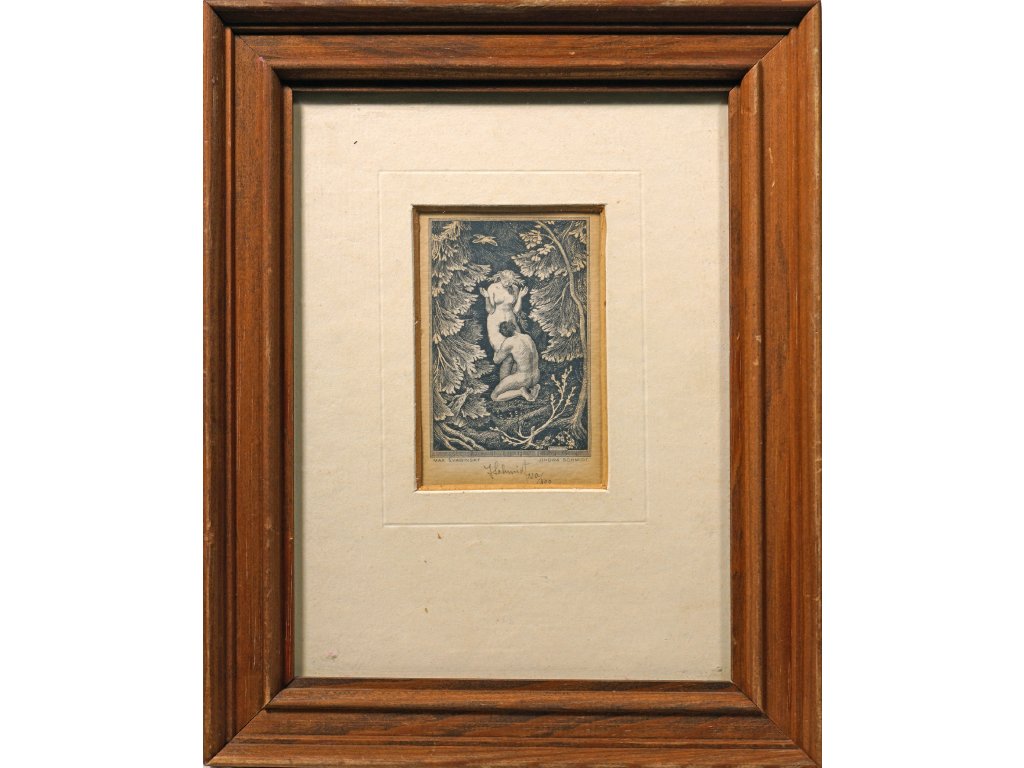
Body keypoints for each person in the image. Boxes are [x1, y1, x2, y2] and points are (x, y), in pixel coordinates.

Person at [490, 321, 541, 402]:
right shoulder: (527, 337)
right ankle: (534, 388)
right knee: (510, 359)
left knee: (494, 396)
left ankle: (520, 392)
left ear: (503, 333)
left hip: (523, 379)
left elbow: (496, 360)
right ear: (514, 327)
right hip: (536, 377)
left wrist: (496, 351)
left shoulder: (509, 342)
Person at [480, 270, 527, 353]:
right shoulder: (493, 287)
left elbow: (516, 310)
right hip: (495, 321)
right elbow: (490, 310)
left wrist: (520, 297)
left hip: (510, 320)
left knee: (517, 346)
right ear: (501, 278)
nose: (507, 283)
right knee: (500, 348)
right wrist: (486, 297)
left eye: (510, 281)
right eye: (505, 281)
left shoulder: (515, 288)